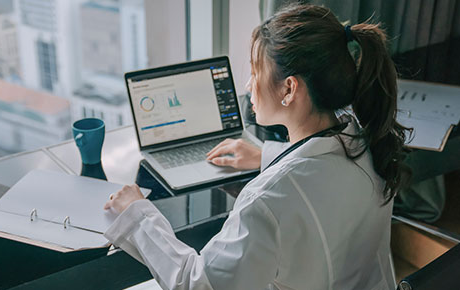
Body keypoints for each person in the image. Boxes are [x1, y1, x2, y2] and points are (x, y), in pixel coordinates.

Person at [103, 4, 411, 290]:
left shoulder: (266, 199)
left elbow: (198, 284)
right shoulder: (366, 140)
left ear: (289, 88)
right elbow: (319, 173)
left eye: (254, 71)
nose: (249, 85)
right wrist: (264, 155)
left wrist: (138, 215)